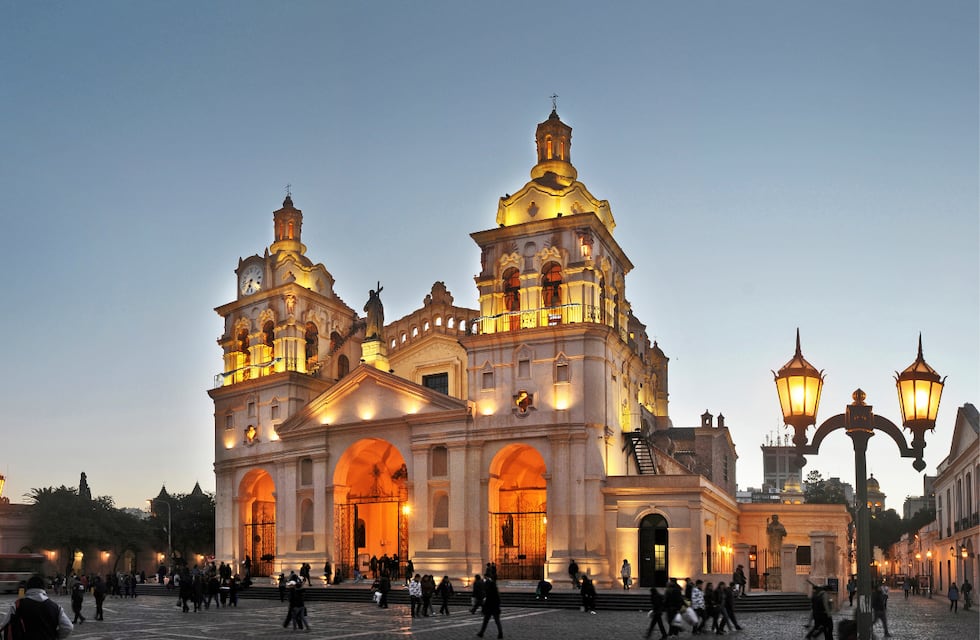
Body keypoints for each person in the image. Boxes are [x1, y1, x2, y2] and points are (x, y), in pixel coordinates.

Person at [0, 575, 73, 639]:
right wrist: (56, 635)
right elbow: (68, 627)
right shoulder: (55, 607)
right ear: (43, 588)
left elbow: (4, 625)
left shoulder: (18, 605)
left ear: (28, 588)